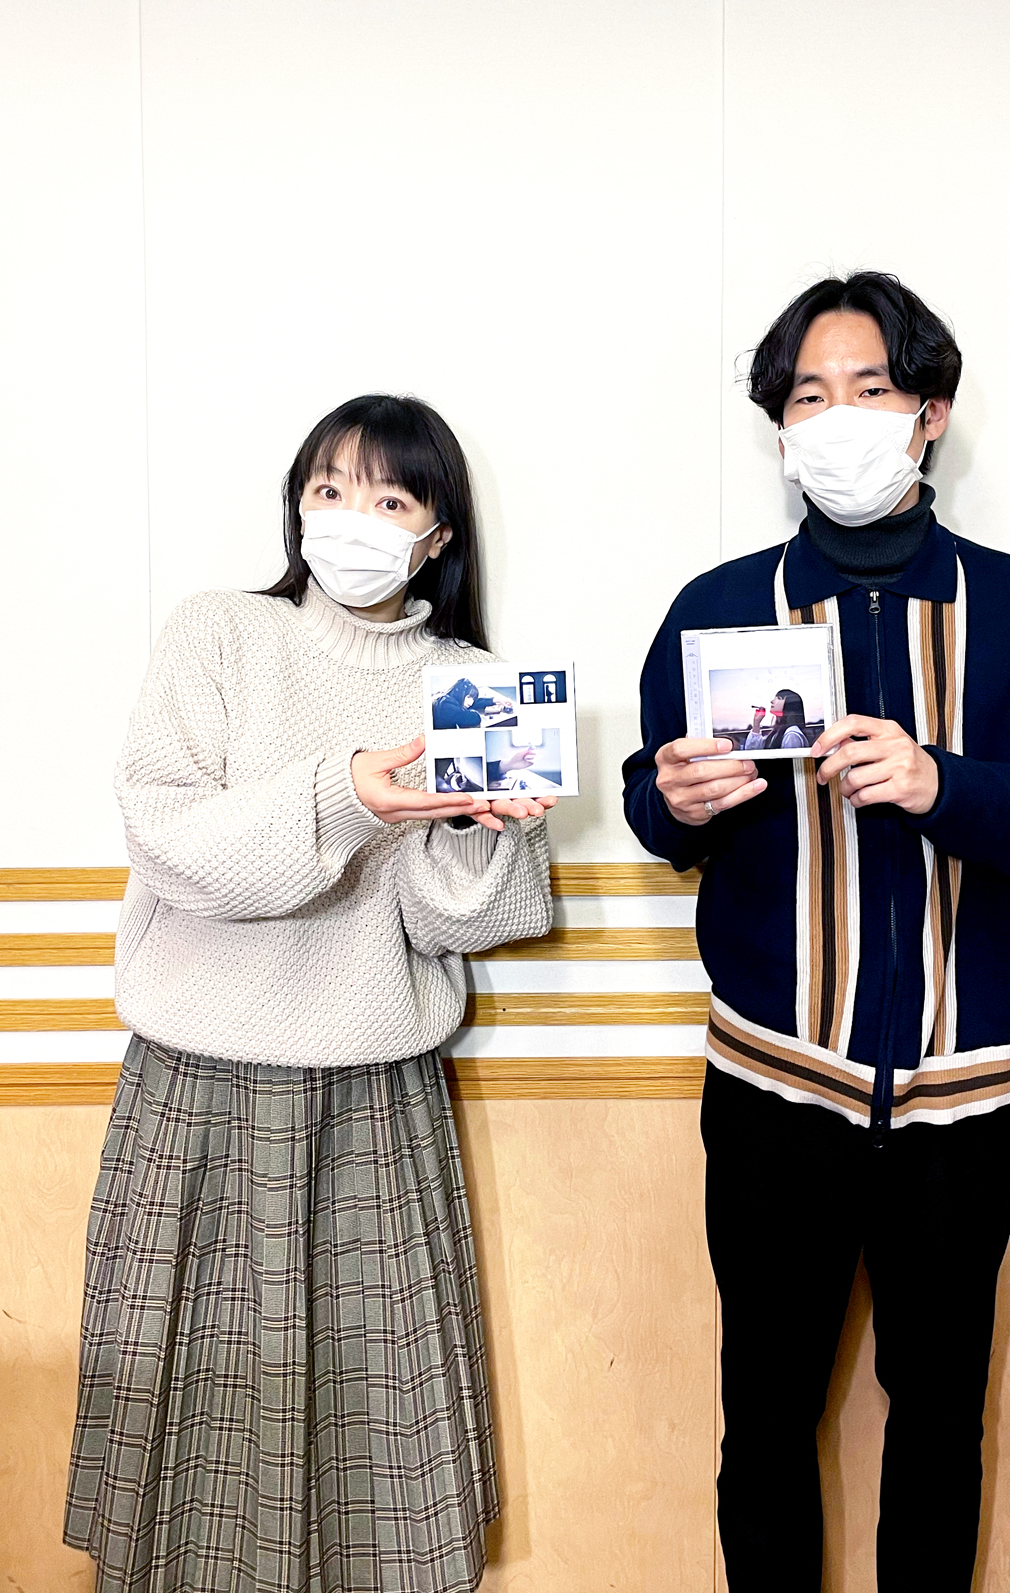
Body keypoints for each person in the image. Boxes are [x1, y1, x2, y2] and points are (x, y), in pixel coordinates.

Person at [622, 272, 1010, 1592]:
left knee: (940, 1424)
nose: (837, 417)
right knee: (765, 1420)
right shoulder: (718, 606)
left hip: (960, 1104)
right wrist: (670, 801)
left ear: (929, 415)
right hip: (770, 1089)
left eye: (871, 388)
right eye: (808, 396)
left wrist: (940, 781)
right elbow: (654, 802)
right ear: (780, 428)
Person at [65, 394, 556, 1593]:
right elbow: (171, 843)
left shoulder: (470, 682)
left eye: (389, 497)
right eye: (329, 489)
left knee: (374, 1450)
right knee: (186, 1432)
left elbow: (460, 923)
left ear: (437, 535)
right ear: (295, 504)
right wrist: (347, 794)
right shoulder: (219, 632)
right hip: (194, 1089)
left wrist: (489, 832)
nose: (351, 518)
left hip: (374, 1097)